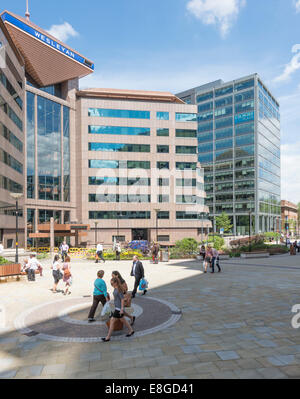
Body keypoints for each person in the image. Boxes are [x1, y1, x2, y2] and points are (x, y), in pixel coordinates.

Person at [102, 277, 134, 342]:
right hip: (117, 307)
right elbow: (117, 299)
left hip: (119, 308)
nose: (112, 285)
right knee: (123, 320)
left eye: (113, 283)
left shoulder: (119, 290)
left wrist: (122, 309)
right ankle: (131, 330)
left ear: (116, 282)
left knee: (112, 321)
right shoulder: (115, 289)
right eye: (111, 283)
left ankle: (108, 337)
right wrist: (112, 302)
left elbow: (122, 299)